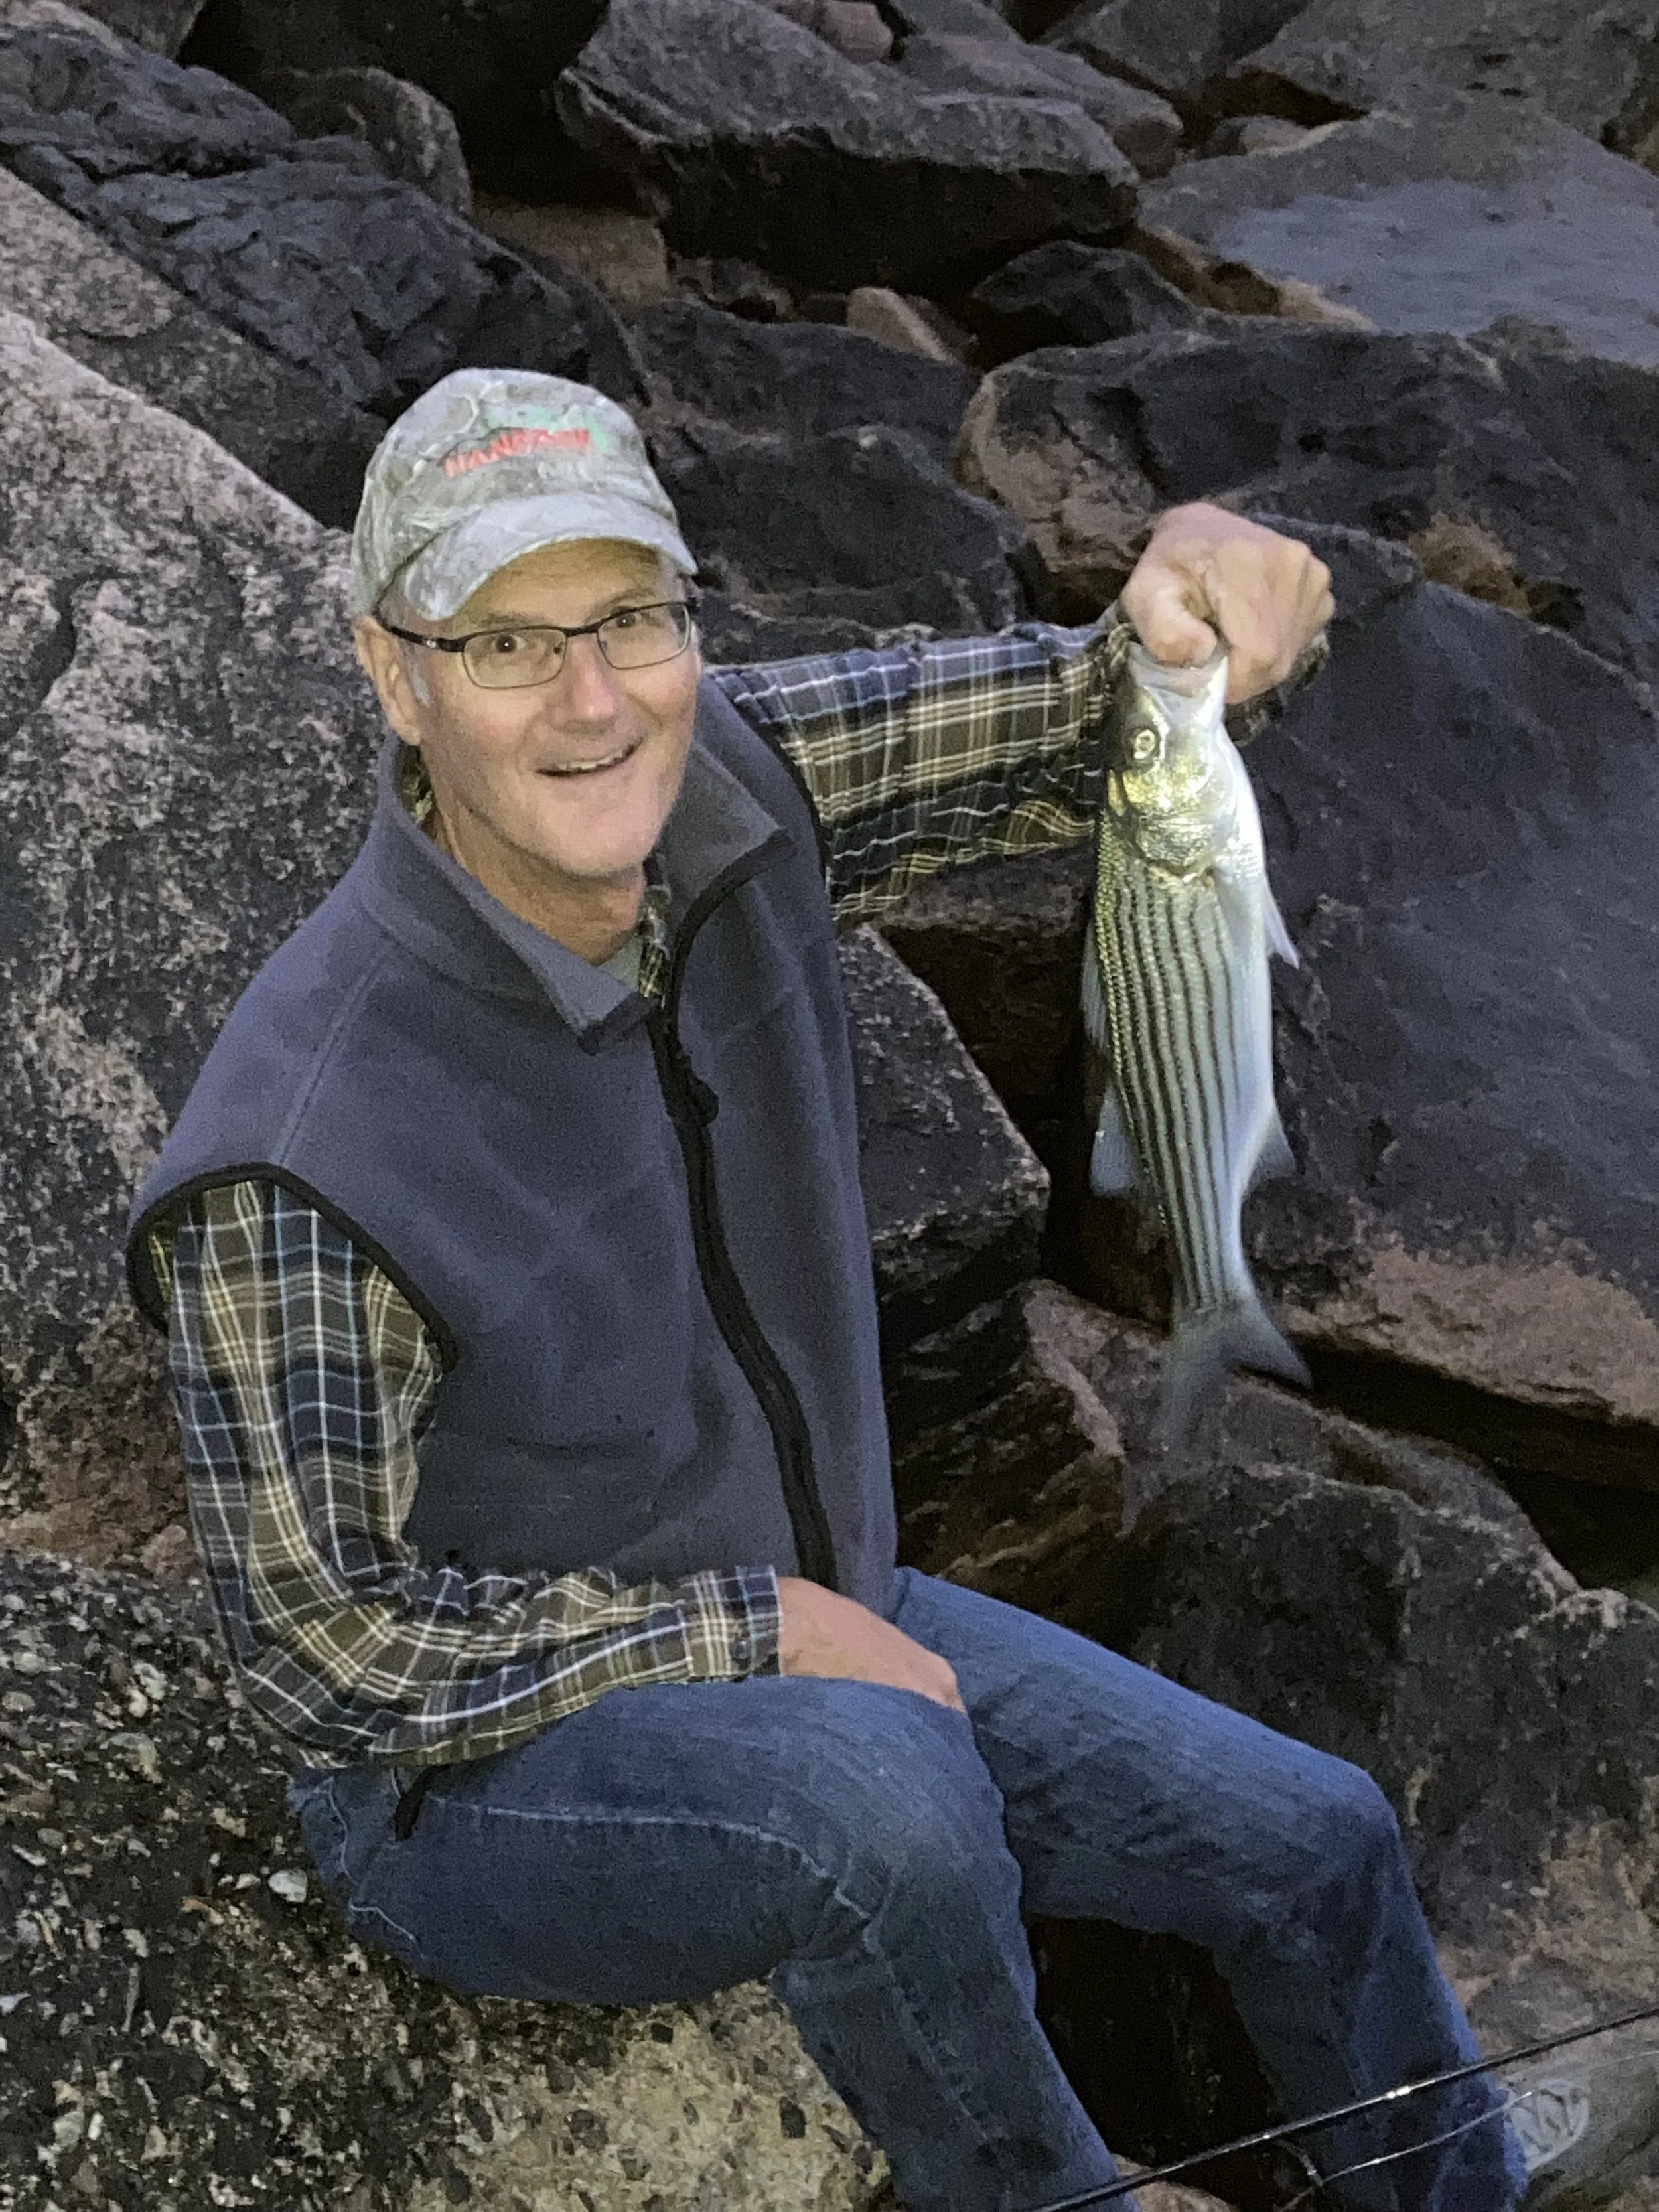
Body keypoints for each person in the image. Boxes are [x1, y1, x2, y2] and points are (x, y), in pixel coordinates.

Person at [126, 368, 1527, 2212]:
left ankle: (1461, 2193)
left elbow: (1103, 706)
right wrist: (743, 1633)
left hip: (822, 1588)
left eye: (628, 615)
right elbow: (327, 1659)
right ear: (395, 677)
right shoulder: (292, 1154)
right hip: (474, 1782)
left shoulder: (733, 786)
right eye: (504, 643)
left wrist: (1195, 583)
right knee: (891, 1812)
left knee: (1316, 1836)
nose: (592, 697)